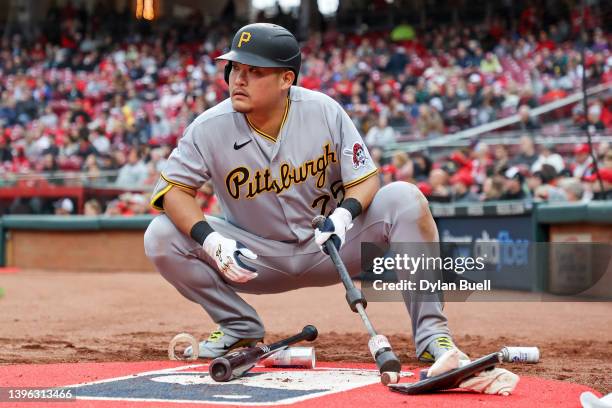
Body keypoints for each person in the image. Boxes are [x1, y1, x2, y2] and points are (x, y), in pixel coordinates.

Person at [144, 23, 466, 363]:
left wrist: (345, 215)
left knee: (405, 198)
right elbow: (173, 191)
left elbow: (366, 177)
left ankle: (433, 337)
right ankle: (238, 326)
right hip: (255, 256)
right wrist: (211, 240)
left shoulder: (323, 111)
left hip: (329, 245)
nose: (238, 79)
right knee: (161, 235)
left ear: (286, 79)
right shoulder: (208, 127)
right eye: (235, 68)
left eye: (254, 71)